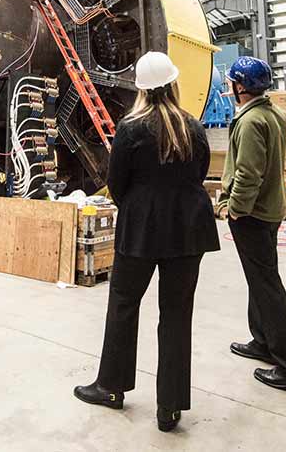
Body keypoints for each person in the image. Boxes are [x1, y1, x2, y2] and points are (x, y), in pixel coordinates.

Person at [73, 51, 220, 432]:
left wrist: (140, 206)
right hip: (188, 230)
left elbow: (117, 182)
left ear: (141, 89)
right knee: (176, 315)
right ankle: (169, 408)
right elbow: (200, 172)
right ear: (172, 84)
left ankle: (111, 387)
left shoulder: (131, 127)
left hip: (141, 231)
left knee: (123, 305)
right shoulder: (192, 125)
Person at [215, 56, 286, 397]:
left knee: (268, 287)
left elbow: (248, 173)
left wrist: (235, 209)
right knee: (259, 280)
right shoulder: (272, 114)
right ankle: (263, 341)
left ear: (240, 87)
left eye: (231, 81)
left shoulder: (250, 121)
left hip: (253, 216)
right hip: (268, 211)